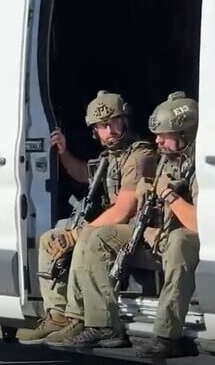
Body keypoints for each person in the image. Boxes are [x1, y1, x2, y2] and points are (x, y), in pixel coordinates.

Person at [53, 91, 199, 357]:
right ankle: (102, 326)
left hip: (178, 238)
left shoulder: (200, 166)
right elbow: (87, 176)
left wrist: (168, 194)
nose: (157, 141)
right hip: (155, 233)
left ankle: (167, 337)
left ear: (184, 134)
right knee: (96, 237)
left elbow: (198, 224)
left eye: (164, 135)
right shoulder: (166, 160)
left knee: (180, 242)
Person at [17, 90, 157, 344]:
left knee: (88, 238)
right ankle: (58, 316)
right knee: (50, 239)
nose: (109, 130)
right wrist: (63, 153)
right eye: (102, 126)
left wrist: (77, 234)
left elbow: (124, 210)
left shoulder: (140, 156)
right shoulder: (110, 157)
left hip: (140, 228)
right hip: (116, 226)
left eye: (113, 122)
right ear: (94, 131)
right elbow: (84, 174)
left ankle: (81, 318)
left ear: (124, 120)